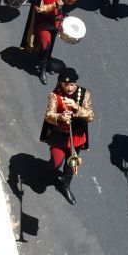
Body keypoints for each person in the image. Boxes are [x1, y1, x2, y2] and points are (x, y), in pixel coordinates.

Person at [39, 67, 94, 205]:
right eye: (66, 84)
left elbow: (90, 116)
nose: (69, 88)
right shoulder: (54, 95)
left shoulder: (84, 94)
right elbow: (48, 115)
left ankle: (65, 185)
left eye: (72, 84)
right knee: (56, 163)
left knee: (72, 163)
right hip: (59, 136)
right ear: (60, 83)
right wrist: (60, 116)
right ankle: (47, 171)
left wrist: (76, 107)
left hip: (76, 137)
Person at [20, 0, 79, 84]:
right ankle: (42, 70)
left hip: (56, 21)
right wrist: (54, 5)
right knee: (45, 46)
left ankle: (47, 62)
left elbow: (67, 0)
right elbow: (39, 9)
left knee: (51, 45)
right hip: (44, 22)